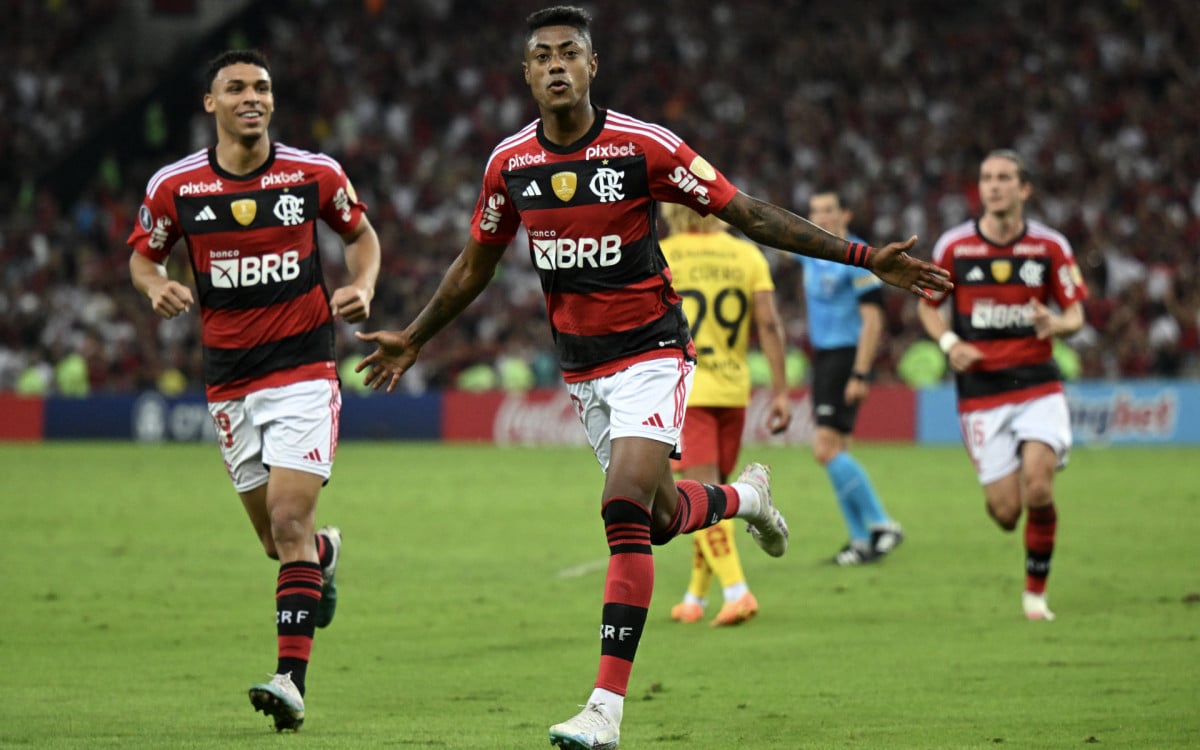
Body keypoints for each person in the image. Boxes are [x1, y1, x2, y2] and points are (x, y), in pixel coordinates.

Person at [355, 7, 950, 748]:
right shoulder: (510, 164)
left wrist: (864, 257)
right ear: (527, 75)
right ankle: (746, 497)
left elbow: (749, 213)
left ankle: (604, 709)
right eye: (542, 57)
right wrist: (413, 337)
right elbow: (478, 263)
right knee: (663, 519)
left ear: (593, 66)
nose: (557, 66)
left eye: (570, 52)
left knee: (622, 508)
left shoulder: (644, 147)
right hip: (583, 372)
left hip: (652, 354)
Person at [126, 49, 381, 730]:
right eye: (235, 88)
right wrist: (155, 287)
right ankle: (324, 556)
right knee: (279, 542)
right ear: (210, 104)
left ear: (273, 100)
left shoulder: (313, 174)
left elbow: (362, 236)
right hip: (230, 384)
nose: (251, 97)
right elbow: (142, 255)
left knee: (289, 521)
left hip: (302, 371)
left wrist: (361, 286)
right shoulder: (175, 187)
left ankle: (290, 684)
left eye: (262, 87)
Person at [917, 149, 1087, 622]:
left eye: (1004, 178)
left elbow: (1076, 314)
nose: (993, 185)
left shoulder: (1050, 247)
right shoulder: (955, 247)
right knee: (1007, 512)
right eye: (987, 178)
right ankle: (1009, 501)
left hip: (1037, 385)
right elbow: (927, 305)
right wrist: (950, 342)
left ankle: (1035, 595)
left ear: (1024, 188)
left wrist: (1057, 323)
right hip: (980, 393)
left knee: (1038, 487)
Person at [659, 203, 792, 627]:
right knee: (713, 497)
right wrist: (781, 391)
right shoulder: (746, 255)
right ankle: (695, 596)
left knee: (702, 497)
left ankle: (737, 593)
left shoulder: (661, 254)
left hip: (686, 388)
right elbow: (768, 325)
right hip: (733, 389)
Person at [802, 190, 903, 565]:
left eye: (828, 210)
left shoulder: (858, 257)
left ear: (845, 213)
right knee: (837, 452)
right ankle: (860, 541)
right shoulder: (810, 248)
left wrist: (860, 371)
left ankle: (881, 523)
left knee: (824, 450)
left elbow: (873, 320)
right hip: (825, 357)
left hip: (845, 357)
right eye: (814, 211)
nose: (821, 217)